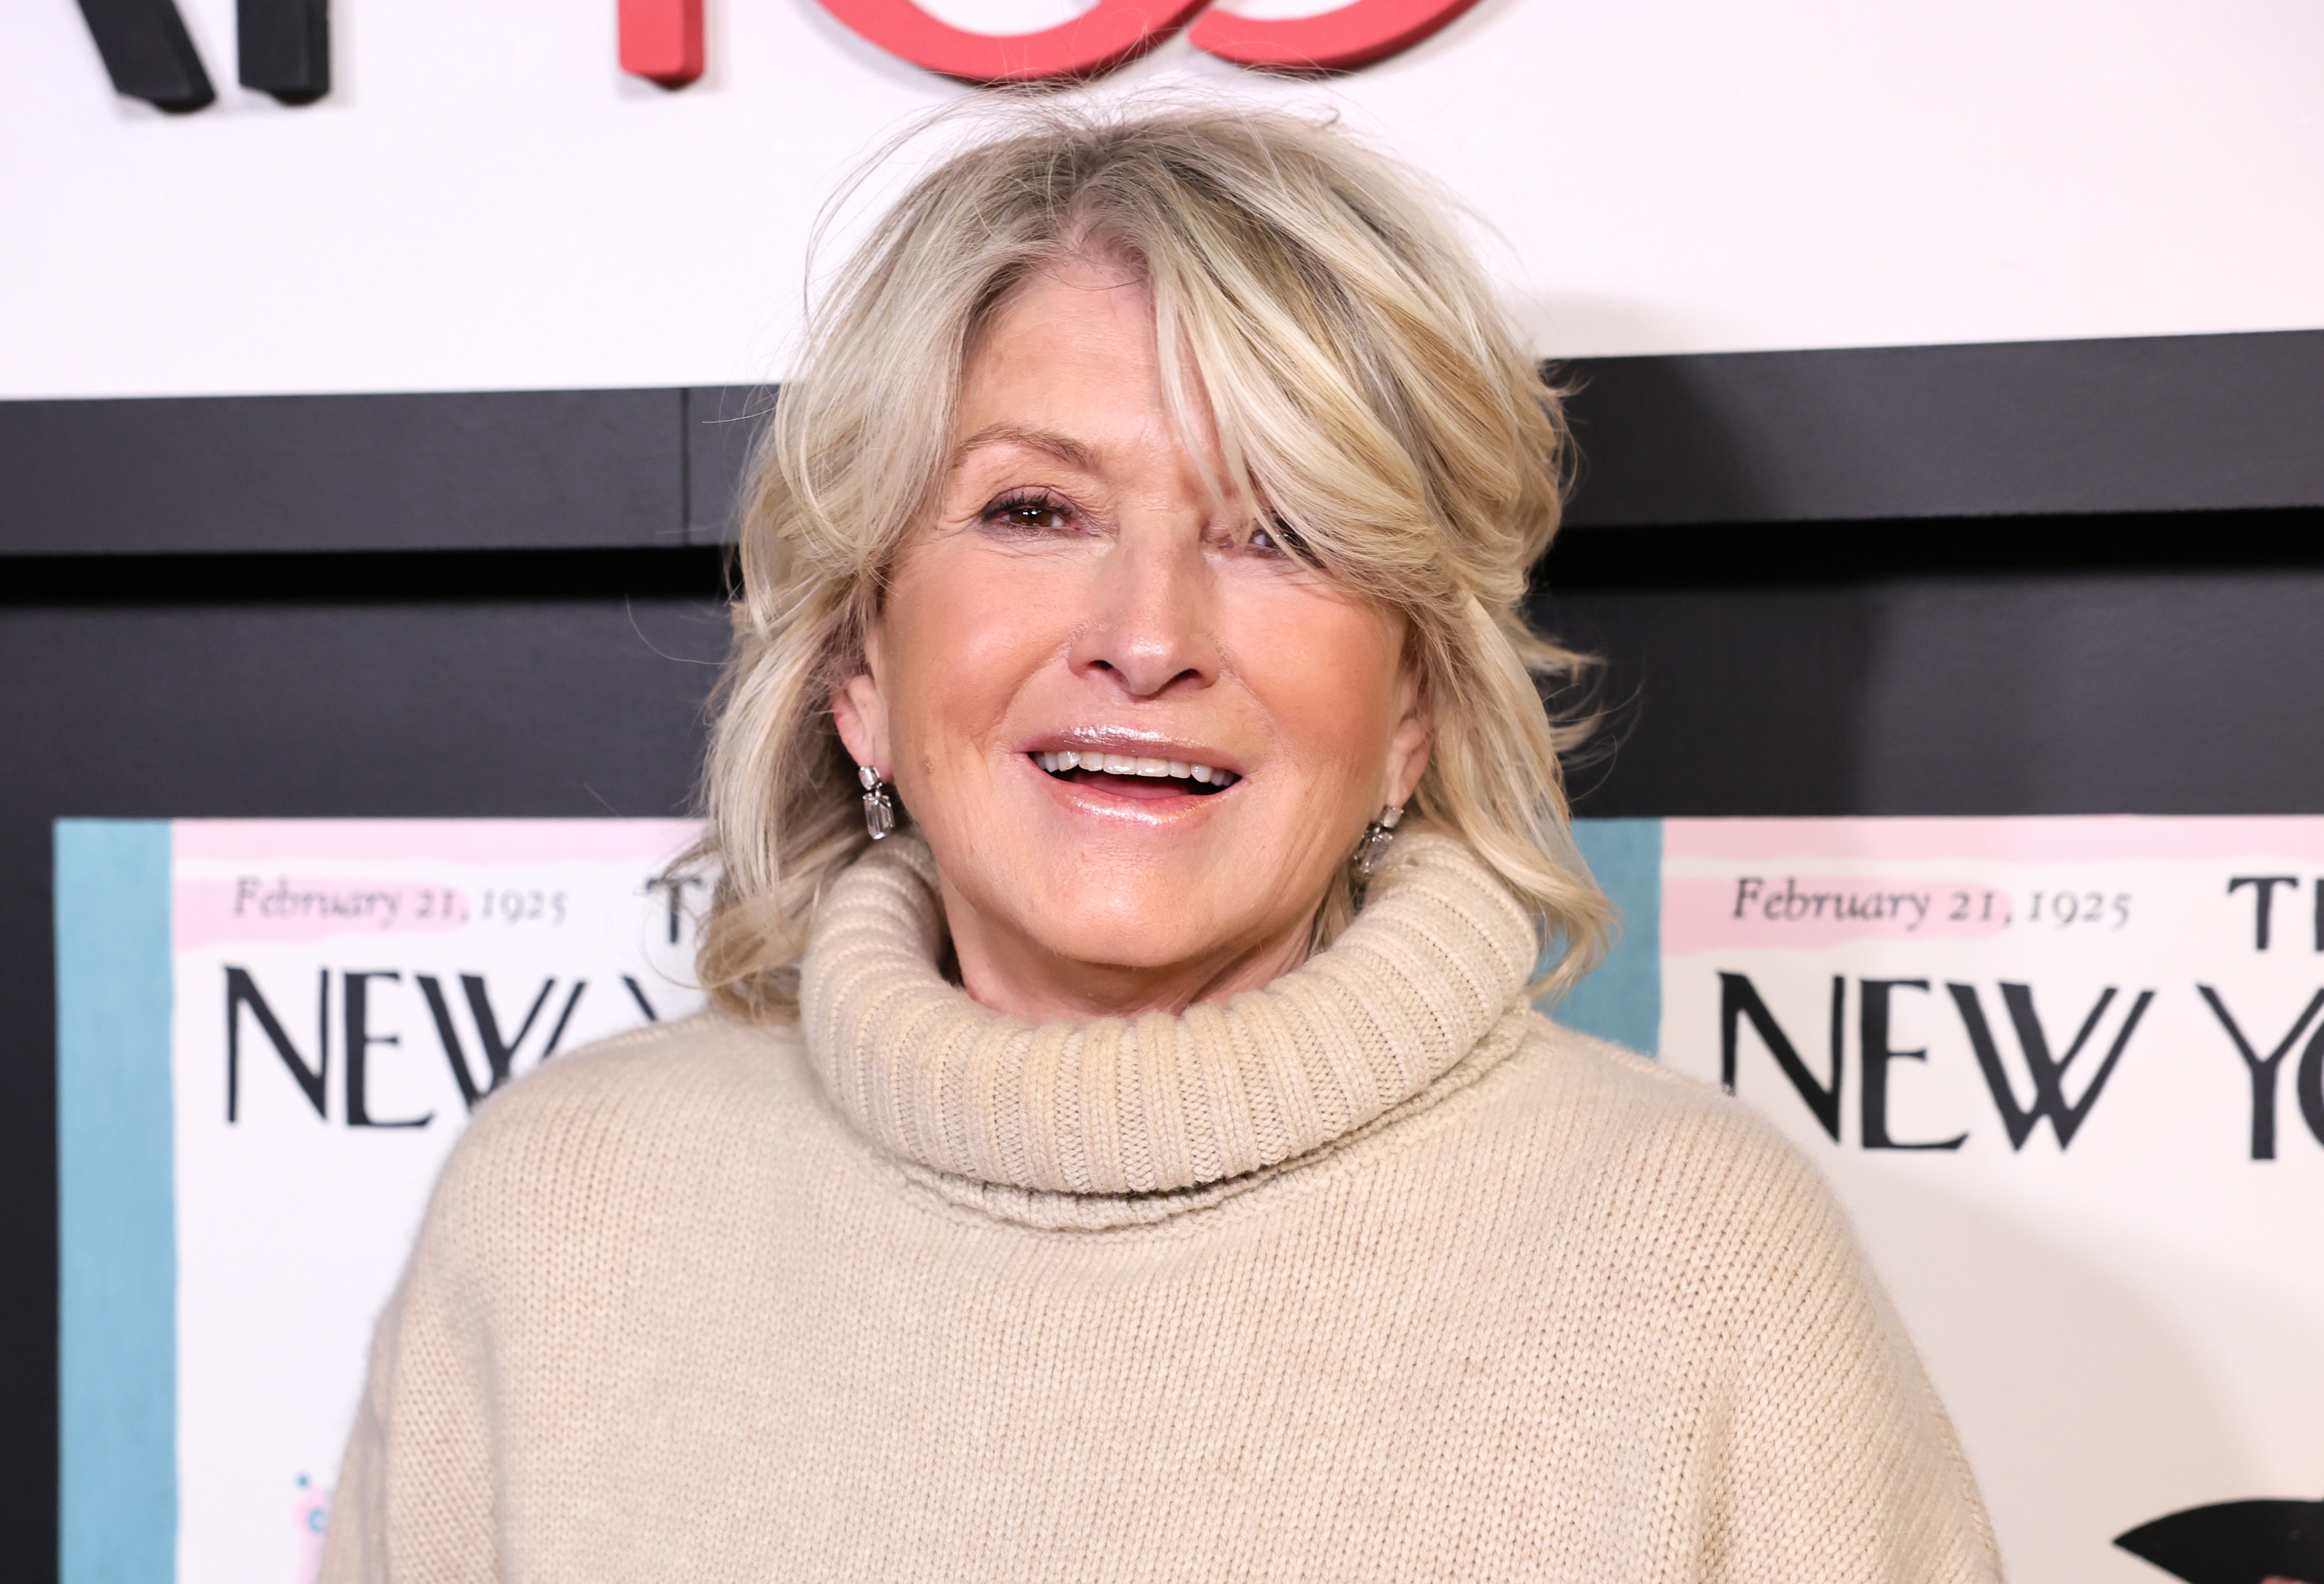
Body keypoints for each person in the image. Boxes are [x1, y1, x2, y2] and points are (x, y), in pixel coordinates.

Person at [320, 105, 1998, 1582]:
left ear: (1415, 699)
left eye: (1278, 530)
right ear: (856, 664)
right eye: (1034, 511)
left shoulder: (1690, 1266)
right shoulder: (560, 1223)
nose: (1146, 635)